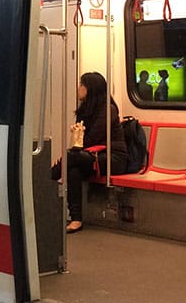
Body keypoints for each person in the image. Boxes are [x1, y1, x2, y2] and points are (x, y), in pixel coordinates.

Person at [51, 72, 128, 233]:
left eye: (81, 85)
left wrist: (79, 136)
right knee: (73, 170)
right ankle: (76, 219)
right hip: (94, 156)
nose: (78, 88)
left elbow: (91, 139)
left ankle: (47, 178)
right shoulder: (86, 109)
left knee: (72, 157)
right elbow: (82, 143)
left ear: (91, 88)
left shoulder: (108, 109)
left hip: (114, 157)